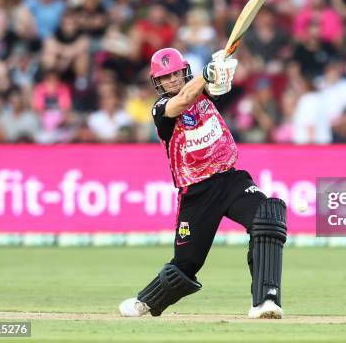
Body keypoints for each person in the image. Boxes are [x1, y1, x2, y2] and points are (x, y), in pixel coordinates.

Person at [119, 48, 287, 319]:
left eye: (176, 73)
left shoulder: (203, 90)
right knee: (186, 266)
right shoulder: (160, 109)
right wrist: (205, 74)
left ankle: (266, 301)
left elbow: (222, 84)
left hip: (229, 179)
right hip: (196, 192)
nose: (172, 80)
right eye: (165, 77)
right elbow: (183, 100)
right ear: (157, 82)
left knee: (268, 216)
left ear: (184, 71)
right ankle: (146, 302)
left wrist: (222, 67)